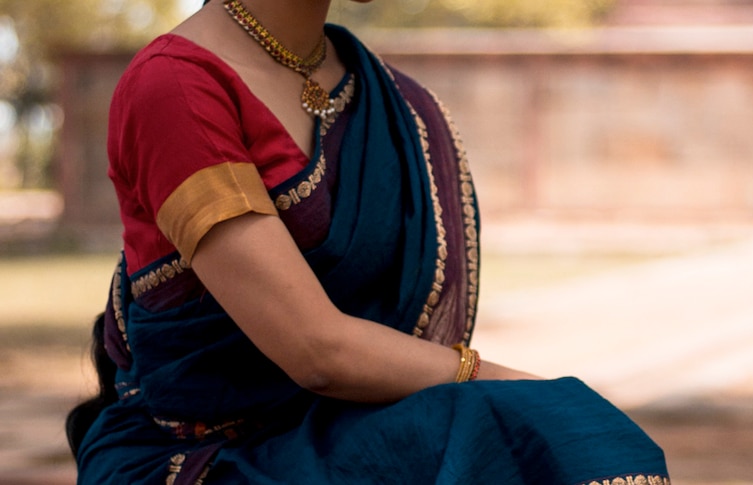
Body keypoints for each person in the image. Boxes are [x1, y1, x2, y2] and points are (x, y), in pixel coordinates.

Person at [67, 0, 672, 483]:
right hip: (214, 457)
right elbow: (316, 352)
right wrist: (513, 384)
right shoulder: (175, 87)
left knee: (565, 436)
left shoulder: (393, 101)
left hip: (364, 427)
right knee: (555, 426)